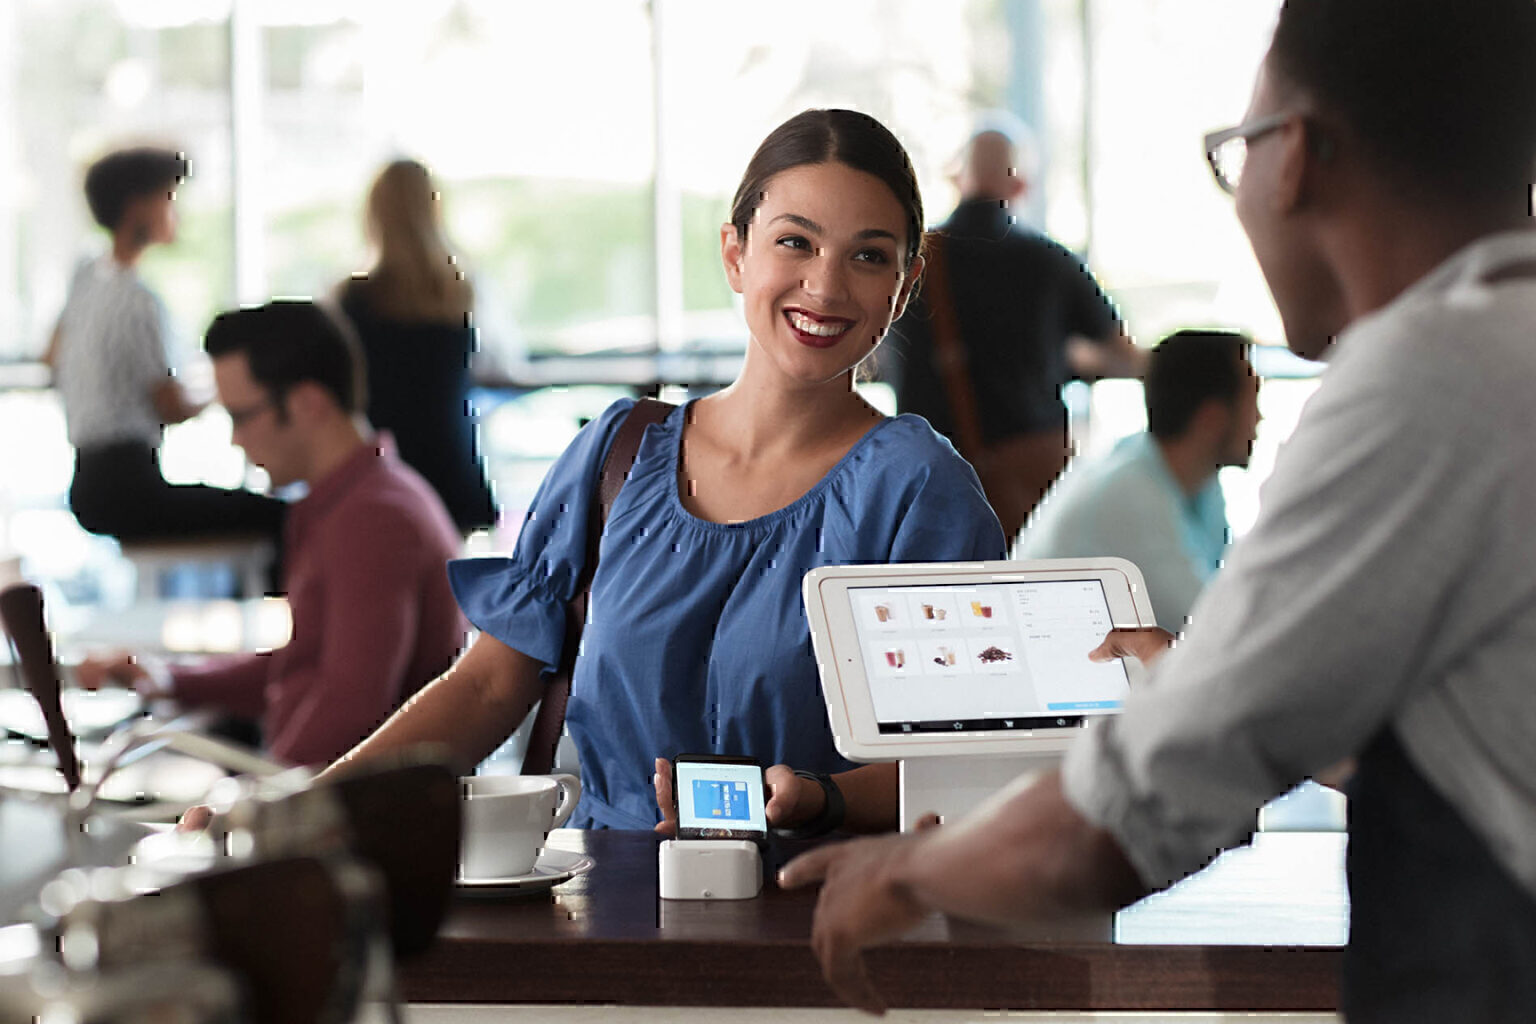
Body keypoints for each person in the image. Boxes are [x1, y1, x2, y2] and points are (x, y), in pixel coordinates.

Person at [783, 1, 1536, 1019]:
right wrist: (1211, 679)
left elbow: (1125, 818)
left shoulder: (1427, 377)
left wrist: (904, 875)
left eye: (1234, 153)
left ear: (1296, 155)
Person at [323, 109, 1007, 834]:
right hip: (599, 915)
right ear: (736, 254)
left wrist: (820, 797)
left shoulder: (917, 489)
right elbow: (490, 685)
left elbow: (962, 762)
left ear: (904, 287)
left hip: (813, 912)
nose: (825, 286)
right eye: (794, 243)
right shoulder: (620, 451)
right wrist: (309, 811)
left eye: (867, 257)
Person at [79, 301, 467, 768]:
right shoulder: (357, 498)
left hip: (354, 823)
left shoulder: (374, 519)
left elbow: (351, 709)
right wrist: (172, 680)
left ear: (308, 403)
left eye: (242, 417)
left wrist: (247, 809)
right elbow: (303, 666)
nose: (236, 440)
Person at [886, 119, 1146, 538]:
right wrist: (1069, 360)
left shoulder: (913, 263)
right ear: (1021, 186)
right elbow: (1123, 354)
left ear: (957, 177)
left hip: (925, 473)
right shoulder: (1050, 261)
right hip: (1030, 476)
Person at [44, 147, 286, 551]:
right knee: (280, 517)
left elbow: (52, 357)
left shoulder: (86, 279)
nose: (177, 214)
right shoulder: (137, 300)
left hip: (86, 480)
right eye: (169, 199)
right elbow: (170, 408)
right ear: (139, 207)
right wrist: (226, 390)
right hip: (126, 485)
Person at [1017, 329, 1260, 628]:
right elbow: (1210, 630)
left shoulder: (1199, 483)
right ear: (1212, 418)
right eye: (1253, 403)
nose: (1260, 419)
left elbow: (1232, 593)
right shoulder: (1127, 493)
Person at [332, 158, 497, 533]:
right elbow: (492, 363)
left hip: (383, 469)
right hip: (451, 464)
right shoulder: (458, 294)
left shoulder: (352, 299)